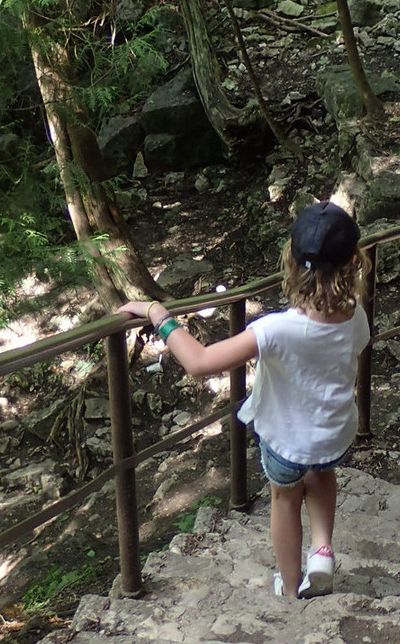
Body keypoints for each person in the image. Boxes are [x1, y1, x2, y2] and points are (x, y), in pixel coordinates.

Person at [116, 201, 371, 600]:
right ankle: (322, 551)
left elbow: (199, 363)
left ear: (291, 261)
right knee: (320, 473)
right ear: (354, 262)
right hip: (335, 434)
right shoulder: (356, 316)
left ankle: (289, 587)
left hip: (287, 442)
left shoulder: (274, 330)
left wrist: (157, 313)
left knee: (285, 498)